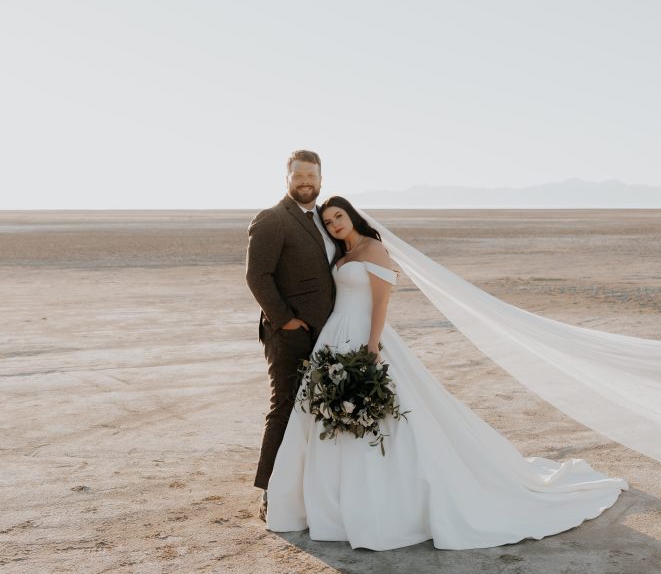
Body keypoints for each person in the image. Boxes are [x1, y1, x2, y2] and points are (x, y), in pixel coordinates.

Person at [265, 197, 628, 551]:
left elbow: (381, 302)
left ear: (352, 216)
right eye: (328, 221)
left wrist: (372, 345)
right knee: (326, 414)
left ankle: (387, 500)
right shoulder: (342, 256)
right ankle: (332, 503)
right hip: (334, 337)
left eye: (339, 216)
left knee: (385, 414)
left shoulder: (374, 249)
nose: (334, 224)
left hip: (363, 335)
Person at [245, 150, 339, 521]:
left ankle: (309, 485)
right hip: (289, 335)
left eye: (311, 176)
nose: (305, 182)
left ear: (321, 178)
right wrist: (285, 320)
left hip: (327, 333)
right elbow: (257, 276)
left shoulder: (325, 219)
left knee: (315, 411)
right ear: (286, 178)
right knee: (284, 407)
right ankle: (269, 490)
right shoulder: (272, 219)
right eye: (298, 175)